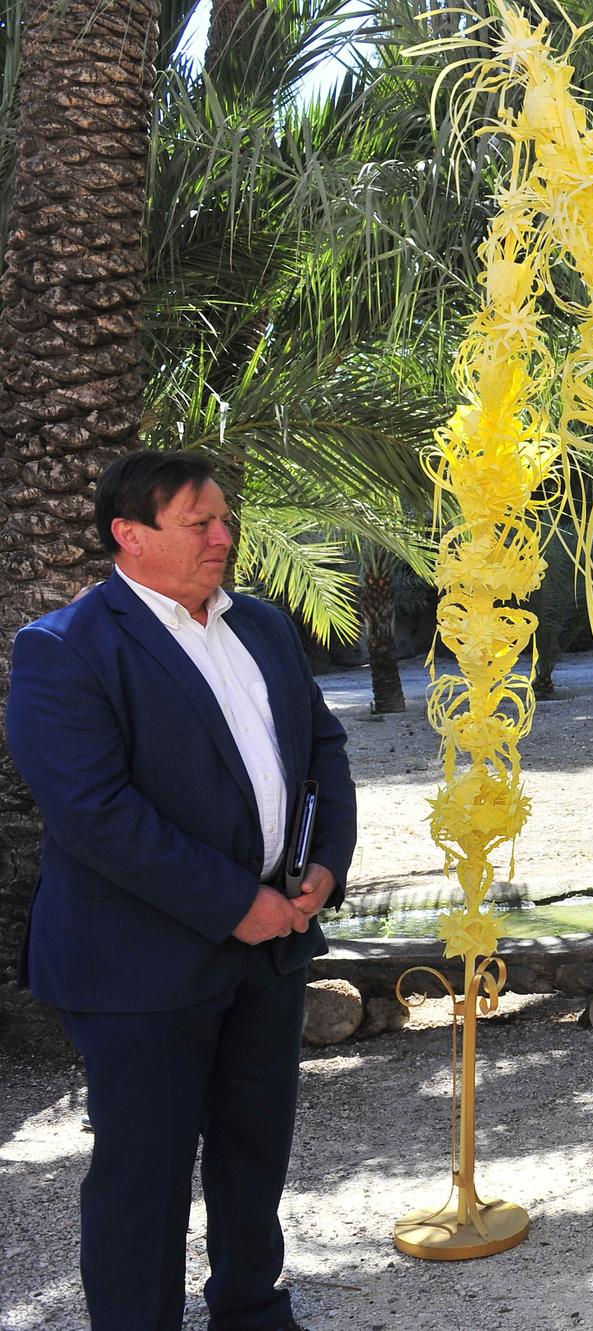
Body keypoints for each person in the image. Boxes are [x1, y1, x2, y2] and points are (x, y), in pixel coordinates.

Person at [7, 450, 357, 1330]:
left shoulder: (266, 626)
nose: (224, 535)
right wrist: (239, 904)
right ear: (130, 533)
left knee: (254, 1153)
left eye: (224, 518)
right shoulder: (62, 649)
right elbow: (96, 812)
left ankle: (250, 1308)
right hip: (137, 965)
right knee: (145, 1172)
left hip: (274, 946)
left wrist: (321, 866)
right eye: (199, 521)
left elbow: (323, 755)